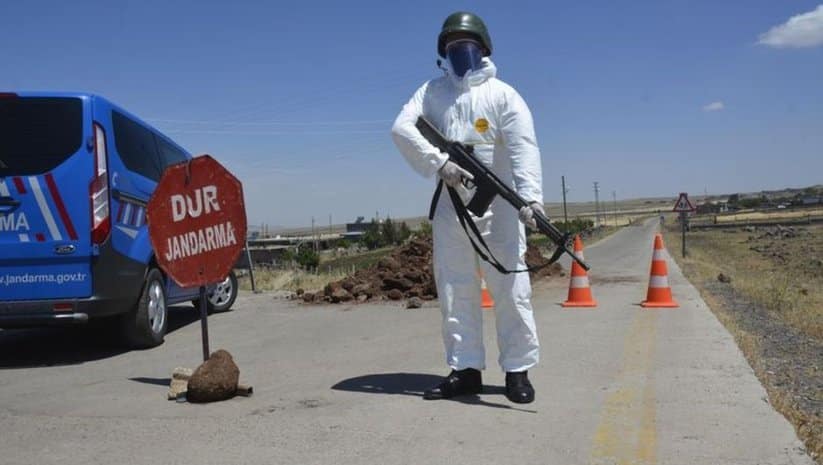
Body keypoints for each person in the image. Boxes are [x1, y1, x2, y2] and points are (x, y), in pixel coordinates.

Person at [391, 11, 544, 404]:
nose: (460, 51)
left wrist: (531, 200)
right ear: (443, 51)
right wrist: (438, 163)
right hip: (450, 207)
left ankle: (517, 370)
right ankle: (466, 369)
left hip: (501, 210)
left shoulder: (503, 95)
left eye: (467, 44)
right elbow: (402, 128)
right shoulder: (432, 92)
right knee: (456, 288)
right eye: (452, 46)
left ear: (484, 48)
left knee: (510, 288)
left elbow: (525, 150)